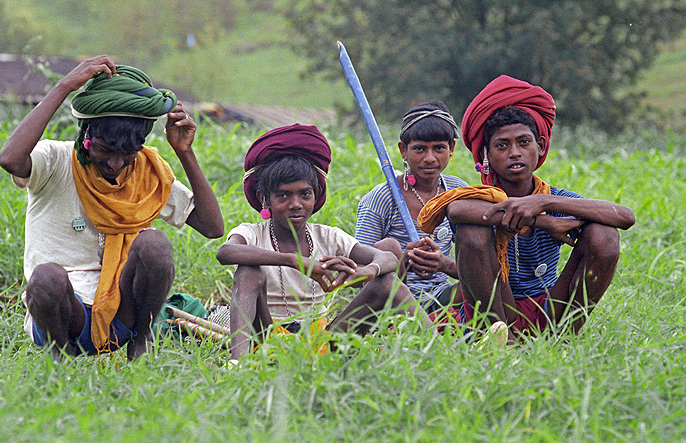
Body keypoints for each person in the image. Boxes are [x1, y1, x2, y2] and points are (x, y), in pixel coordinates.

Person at [0, 55, 224, 360]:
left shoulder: (146, 171)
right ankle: (60, 359)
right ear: (86, 135)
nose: (116, 164)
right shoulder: (56, 161)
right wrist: (65, 85)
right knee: (46, 278)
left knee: (154, 244)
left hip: (123, 316)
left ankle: (140, 342)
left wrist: (184, 152)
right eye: (105, 150)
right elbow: (10, 159)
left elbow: (212, 228)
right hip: (63, 317)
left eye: (128, 153)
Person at [417, 75, 635, 341]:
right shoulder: (481, 197)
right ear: (486, 154)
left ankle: (565, 336)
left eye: (524, 142)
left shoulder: (552, 198)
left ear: (539, 146)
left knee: (605, 234)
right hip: (497, 307)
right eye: (502, 145)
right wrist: (540, 220)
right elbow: (456, 211)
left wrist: (543, 203)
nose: (515, 153)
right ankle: (496, 338)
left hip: (549, 306)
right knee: (471, 232)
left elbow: (625, 217)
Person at [215, 124, 431, 360]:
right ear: (263, 198)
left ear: (316, 195)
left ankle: (440, 351)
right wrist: (294, 261)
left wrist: (366, 270)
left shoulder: (327, 236)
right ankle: (238, 364)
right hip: (265, 336)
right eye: (283, 195)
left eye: (304, 194)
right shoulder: (252, 233)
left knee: (387, 280)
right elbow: (226, 252)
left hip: (322, 339)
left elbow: (388, 257)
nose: (296, 204)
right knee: (248, 271)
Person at [356, 101, 468, 312]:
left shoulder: (458, 192)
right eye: (419, 149)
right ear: (403, 150)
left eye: (439, 148)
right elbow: (360, 273)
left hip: (441, 296)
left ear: (451, 148)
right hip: (391, 302)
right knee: (387, 247)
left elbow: (476, 263)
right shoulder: (380, 198)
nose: (429, 158)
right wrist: (402, 261)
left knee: (482, 285)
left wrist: (444, 264)